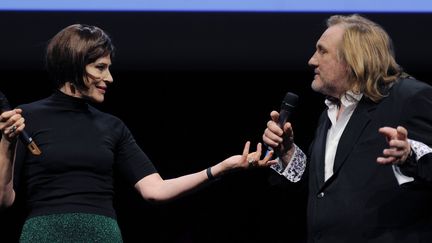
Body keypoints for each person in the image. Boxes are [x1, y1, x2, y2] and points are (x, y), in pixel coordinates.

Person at [0, 24, 273, 242]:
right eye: (100, 67)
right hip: (46, 234)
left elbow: (155, 190)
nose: (110, 78)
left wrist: (221, 168)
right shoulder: (27, 118)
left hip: (101, 234)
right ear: (73, 64)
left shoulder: (112, 126)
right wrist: (6, 144)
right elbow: (4, 199)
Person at [263, 14, 432, 242]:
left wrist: (410, 154)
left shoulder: (409, 97)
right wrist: (287, 153)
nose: (312, 61)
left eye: (322, 51)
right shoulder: (329, 113)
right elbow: (327, 191)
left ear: (353, 58)